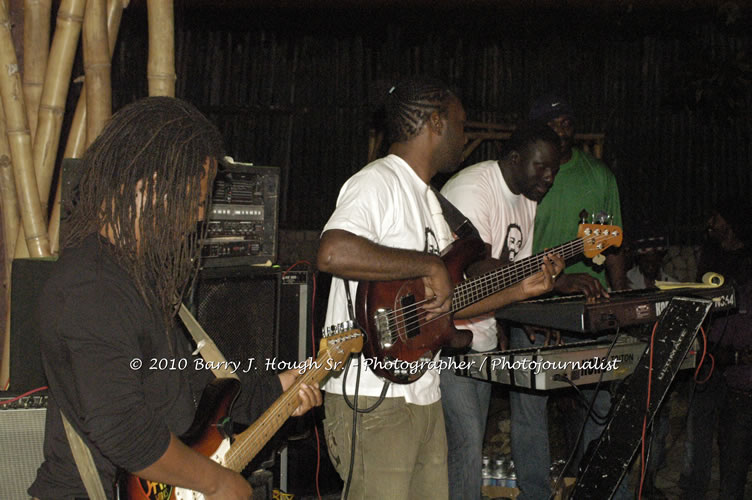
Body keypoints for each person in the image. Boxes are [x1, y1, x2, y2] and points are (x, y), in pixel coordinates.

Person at [29, 97, 321, 500]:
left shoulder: (137, 276)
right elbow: (124, 431)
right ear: (147, 187)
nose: (199, 217)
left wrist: (277, 389)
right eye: (196, 201)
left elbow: (190, 390)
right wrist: (218, 482)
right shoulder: (90, 287)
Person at [316, 77, 563, 500]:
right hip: (374, 397)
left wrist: (521, 290)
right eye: (461, 124)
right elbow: (332, 252)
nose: (465, 136)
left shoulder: (431, 202)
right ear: (434, 123)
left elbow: (450, 302)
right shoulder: (378, 181)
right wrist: (429, 263)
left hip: (423, 390)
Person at [508, 95, 629, 500]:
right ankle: (535, 494)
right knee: (529, 407)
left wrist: (621, 297)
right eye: (551, 121)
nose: (562, 128)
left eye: (566, 120)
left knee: (598, 404)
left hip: (589, 305)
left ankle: (601, 488)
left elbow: (612, 245)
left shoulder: (599, 175)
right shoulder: (526, 177)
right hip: (530, 305)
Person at [438, 122, 563, 500]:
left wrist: (537, 315)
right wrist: (560, 279)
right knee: (465, 445)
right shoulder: (473, 189)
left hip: (483, 336)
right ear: (513, 159)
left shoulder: (527, 197)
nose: (550, 178)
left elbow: (516, 280)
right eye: (542, 167)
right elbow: (478, 270)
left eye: (554, 170)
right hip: (447, 335)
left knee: (470, 446)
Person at [679, 199, 752, 500]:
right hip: (712, 353)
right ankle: (693, 490)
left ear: (731, 222)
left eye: (715, 217)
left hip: (738, 363)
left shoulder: (746, 260)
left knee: (733, 441)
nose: (710, 223)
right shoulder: (708, 255)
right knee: (700, 430)